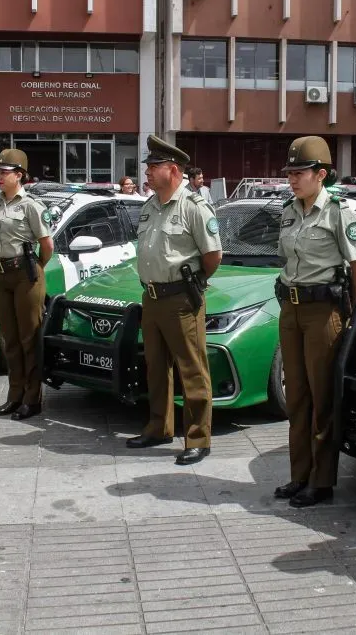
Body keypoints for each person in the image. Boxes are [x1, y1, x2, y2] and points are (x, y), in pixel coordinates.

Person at [274, 136, 356, 508]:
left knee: (321, 397)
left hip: (323, 312)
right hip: (291, 308)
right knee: (296, 398)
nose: (292, 180)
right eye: (290, 173)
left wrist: (350, 314)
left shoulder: (340, 213)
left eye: (300, 173)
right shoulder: (289, 211)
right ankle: (299, 475)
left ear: (322, 174)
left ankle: (322, 479)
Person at [126, 136, 222, 465]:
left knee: (192, 370)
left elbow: (212, 255)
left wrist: (194, 283)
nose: (147, 173)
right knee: (155, 367)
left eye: (154, 167)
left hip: (181, 299)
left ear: (174, 171)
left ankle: (198, 437)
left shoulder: (194, 206)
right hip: (151, 297)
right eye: (148, 167)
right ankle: (159, 427)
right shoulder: (149, 207)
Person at [0, 149, 54, 422]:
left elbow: (47, 245)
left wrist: (35, 268)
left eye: (5, 172)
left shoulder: (31, 206)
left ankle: (32, 398)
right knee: (9, 339)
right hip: (1, 275)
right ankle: (14, 395)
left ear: (20, 175)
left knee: (29, 338)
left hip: (26, 274)